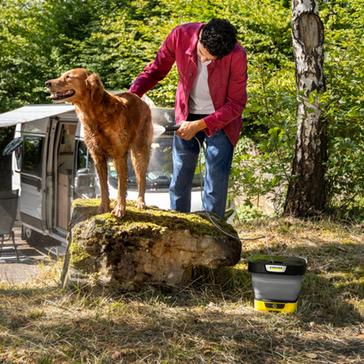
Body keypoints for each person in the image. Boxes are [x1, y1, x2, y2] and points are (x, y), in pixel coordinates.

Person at [129, 19, 248, 218]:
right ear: (199, 38)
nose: (204, 61)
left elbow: (236, 104)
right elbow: (156, 69)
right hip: (186, 115)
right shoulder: (180, 35)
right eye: (202, 54)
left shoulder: (236, 54)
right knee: (180, 178)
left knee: (215, 182)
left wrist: (201, 124)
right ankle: (178, 226)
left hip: (222, 121)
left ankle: (214, 232)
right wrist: (132, 96)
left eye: (211, 60)